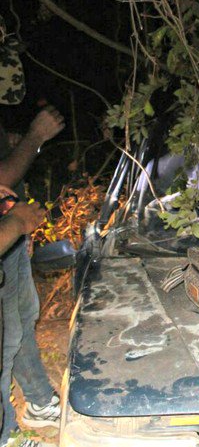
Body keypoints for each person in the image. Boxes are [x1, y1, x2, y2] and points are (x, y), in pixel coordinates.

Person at [0, 108, 64, 447]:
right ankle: (5, 434)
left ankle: (39, 401)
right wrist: (35, 135)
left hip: (7, 239)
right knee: (5, 339)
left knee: (22, 320)